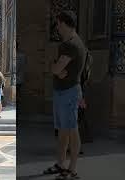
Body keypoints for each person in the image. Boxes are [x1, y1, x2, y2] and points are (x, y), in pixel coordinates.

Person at [43, 11, 86, 180]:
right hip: (63, 92)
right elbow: (56, 70)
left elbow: (54, 69)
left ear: (64, 24)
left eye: (58, 24)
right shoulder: (68, 43)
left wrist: (54, 67)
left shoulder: (72, 45)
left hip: (68, 93)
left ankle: (72, 169)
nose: (57, 28)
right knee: (62, 131)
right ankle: (61, 164)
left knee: (72, 131)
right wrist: (56, 69)